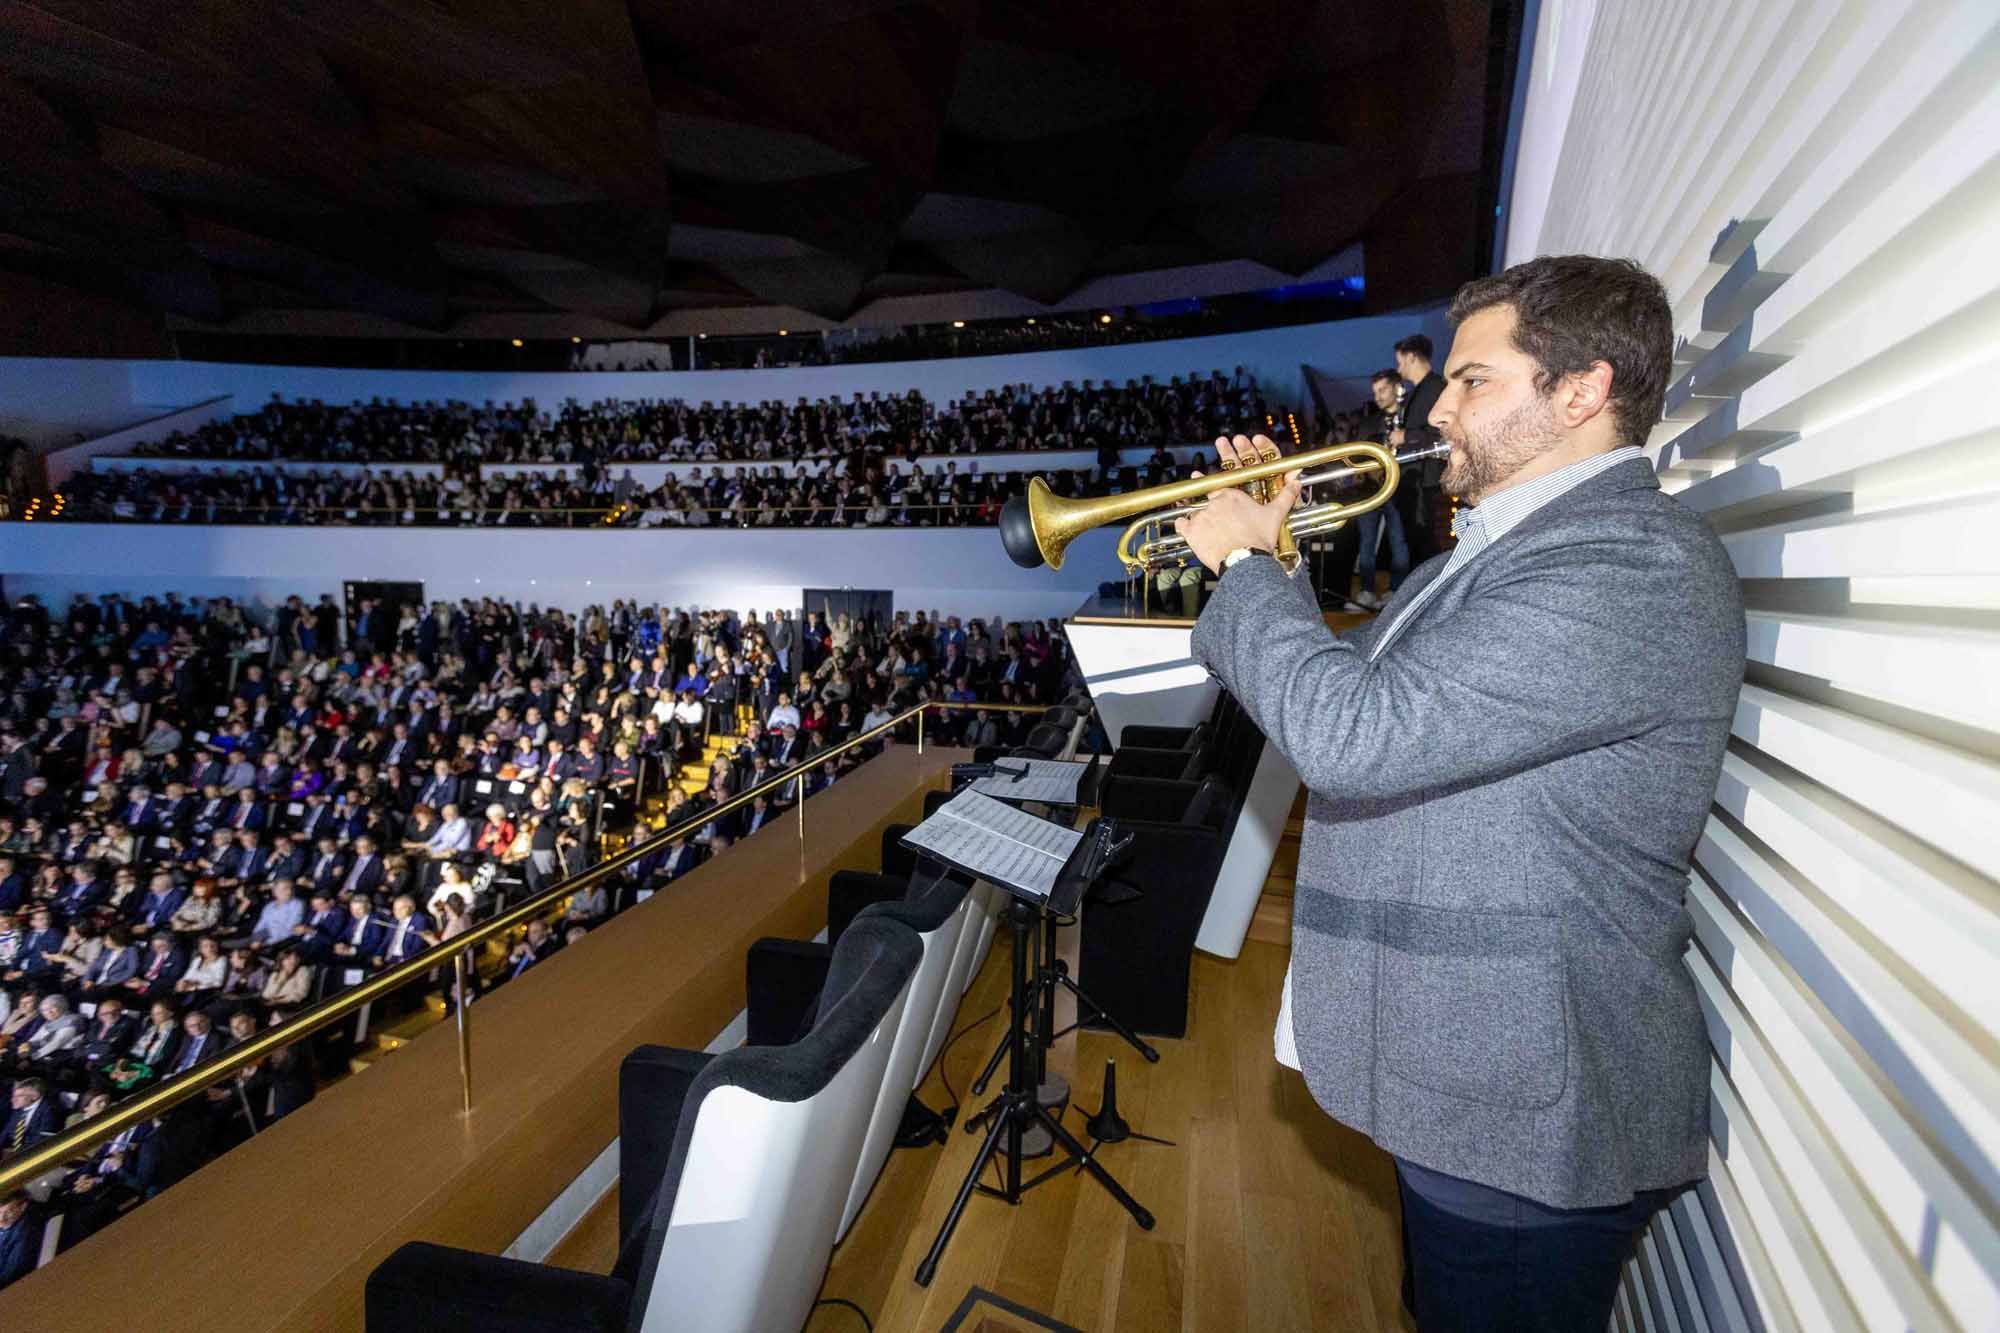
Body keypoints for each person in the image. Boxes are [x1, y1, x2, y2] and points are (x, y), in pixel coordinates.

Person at [1173, 255, 1745, 1333]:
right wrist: (1280, 558)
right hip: (1475, 1086)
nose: (1438, 405)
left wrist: (1245, 574)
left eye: (1472, 380)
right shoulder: (1493, 556)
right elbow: (1372, 700)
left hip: (1534, 1113)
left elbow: (1349, 738)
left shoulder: (1631, 564)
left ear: (1580, 392)